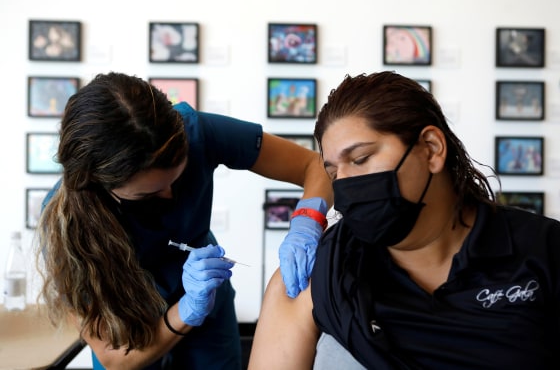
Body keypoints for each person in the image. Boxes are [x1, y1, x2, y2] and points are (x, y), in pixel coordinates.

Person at [248, 71, 560, 369]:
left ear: (431, 149)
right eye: (333, 173)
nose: (343, 184)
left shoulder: (544, 251)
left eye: (360, 159)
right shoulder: (318, 273)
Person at [36, 72, 332, 370]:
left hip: (207, 295)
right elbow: (115, 358)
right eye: (147, 194)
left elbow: (316, 166)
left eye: (177, 179)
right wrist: (187, 310)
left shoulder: (197, 131)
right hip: (127, 324)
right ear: (99, 184)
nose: (169, 197)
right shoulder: (66, 226)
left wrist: (307, 221)